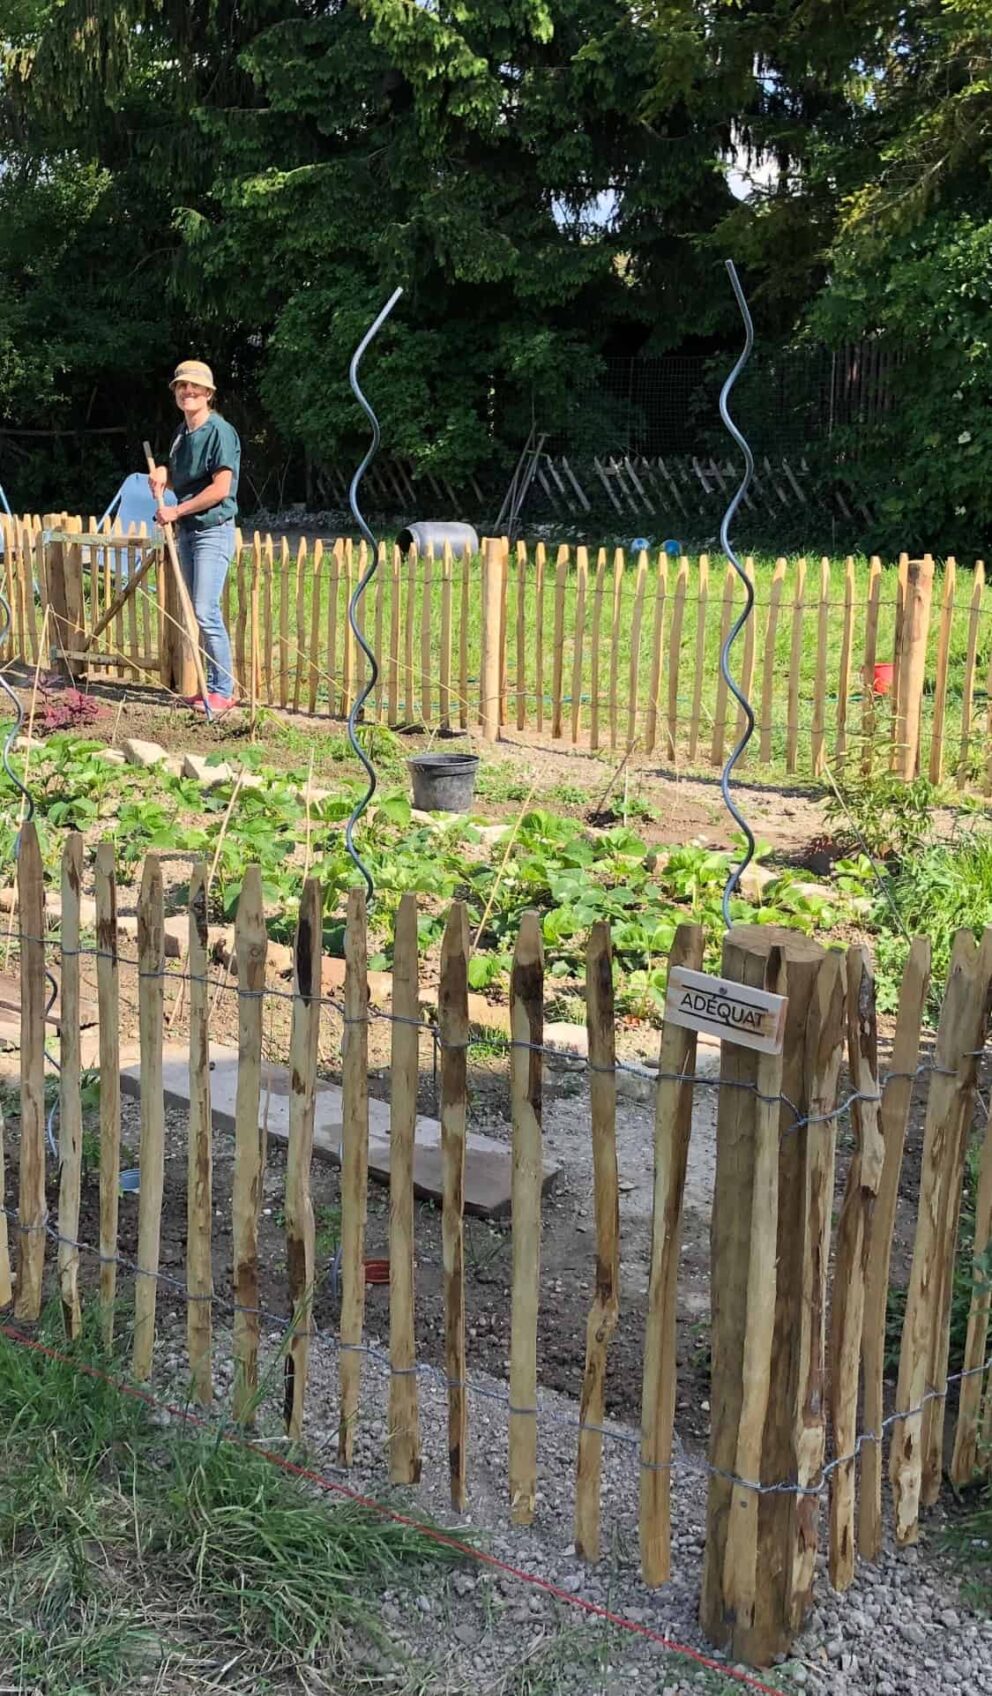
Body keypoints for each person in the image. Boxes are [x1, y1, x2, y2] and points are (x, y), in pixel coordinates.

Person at [149, 359, 241, 712]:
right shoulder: (182, 434)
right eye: (181, 386)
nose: (188, 391)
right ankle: (212, 690)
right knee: (196, 611)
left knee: (205, 610)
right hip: (188, 531)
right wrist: (161, 474)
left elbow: (220, 488)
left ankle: (223, 690)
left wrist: (176, 511)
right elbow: (178, 476)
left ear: (208, 393)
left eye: (195, 387)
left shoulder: (220, 431)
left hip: (212, 530)